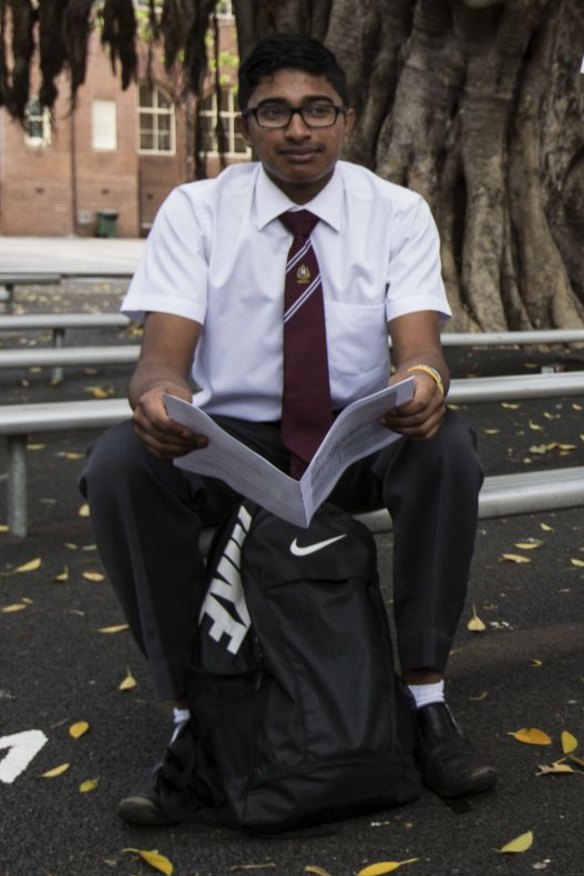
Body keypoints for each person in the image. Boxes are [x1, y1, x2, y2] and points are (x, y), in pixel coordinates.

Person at [80, 32, 497, 825]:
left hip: (354, 437)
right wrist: (160, 398)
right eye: (275, 112)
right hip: (231, 439)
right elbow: (160, 363)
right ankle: (188, 717)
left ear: (346, 118)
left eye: (316, 111)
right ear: (247, 126)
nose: (297, 130)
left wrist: (423, 386)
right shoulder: (198, 211)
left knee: (448, 450)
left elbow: (420, 350)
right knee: (118, 465)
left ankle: (424, 700)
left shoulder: (397, 212)